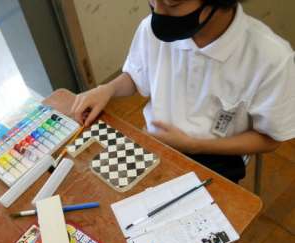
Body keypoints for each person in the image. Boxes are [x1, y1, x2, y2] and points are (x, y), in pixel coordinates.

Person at [72, 0, 295, 183]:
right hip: (153, 142)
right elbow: (137, 76)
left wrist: (195, 146)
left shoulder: (271, 59)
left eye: (173, 4)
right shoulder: (151, 28)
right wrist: (107, 89)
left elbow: (270, 139)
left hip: (217, 157)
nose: (158, 12)